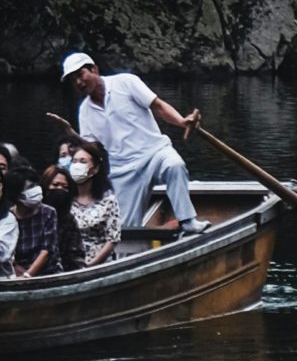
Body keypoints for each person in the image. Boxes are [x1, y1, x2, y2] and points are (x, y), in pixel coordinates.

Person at [59, 50, 207, 238]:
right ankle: (131, 260)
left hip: (154, 152)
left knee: (174, 165)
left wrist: (181, 121)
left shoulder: (125, 82)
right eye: (74, 79)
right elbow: (93, 150)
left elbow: (158, 106)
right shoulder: (85, 111)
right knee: (124, 231)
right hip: (122, 169)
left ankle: (187, 221)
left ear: (94, 69)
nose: (79, 82)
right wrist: (73, 136)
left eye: (81, 75)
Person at [67, 137, 121, 265]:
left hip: (98, 264)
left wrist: (90, 266)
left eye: (82, 161)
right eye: (74, 161)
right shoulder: (66, 199)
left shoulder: (108, 201)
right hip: (69, 264)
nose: (77, 165)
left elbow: (112, 239)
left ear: (95, 168)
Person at [13, 169, 60, 279]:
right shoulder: (8, 217)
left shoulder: (49, 212)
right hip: (15, 274)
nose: (36, 190)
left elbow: (46, 251)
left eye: (36, 185)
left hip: (48, 272)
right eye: (30, 187)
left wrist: (28, 275)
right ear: (18, 196)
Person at [44, 161, 83, 272]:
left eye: (64, 187)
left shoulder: (69, 221)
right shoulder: (35, 216)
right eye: (55, 185)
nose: (60, 189)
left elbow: (76, 256)